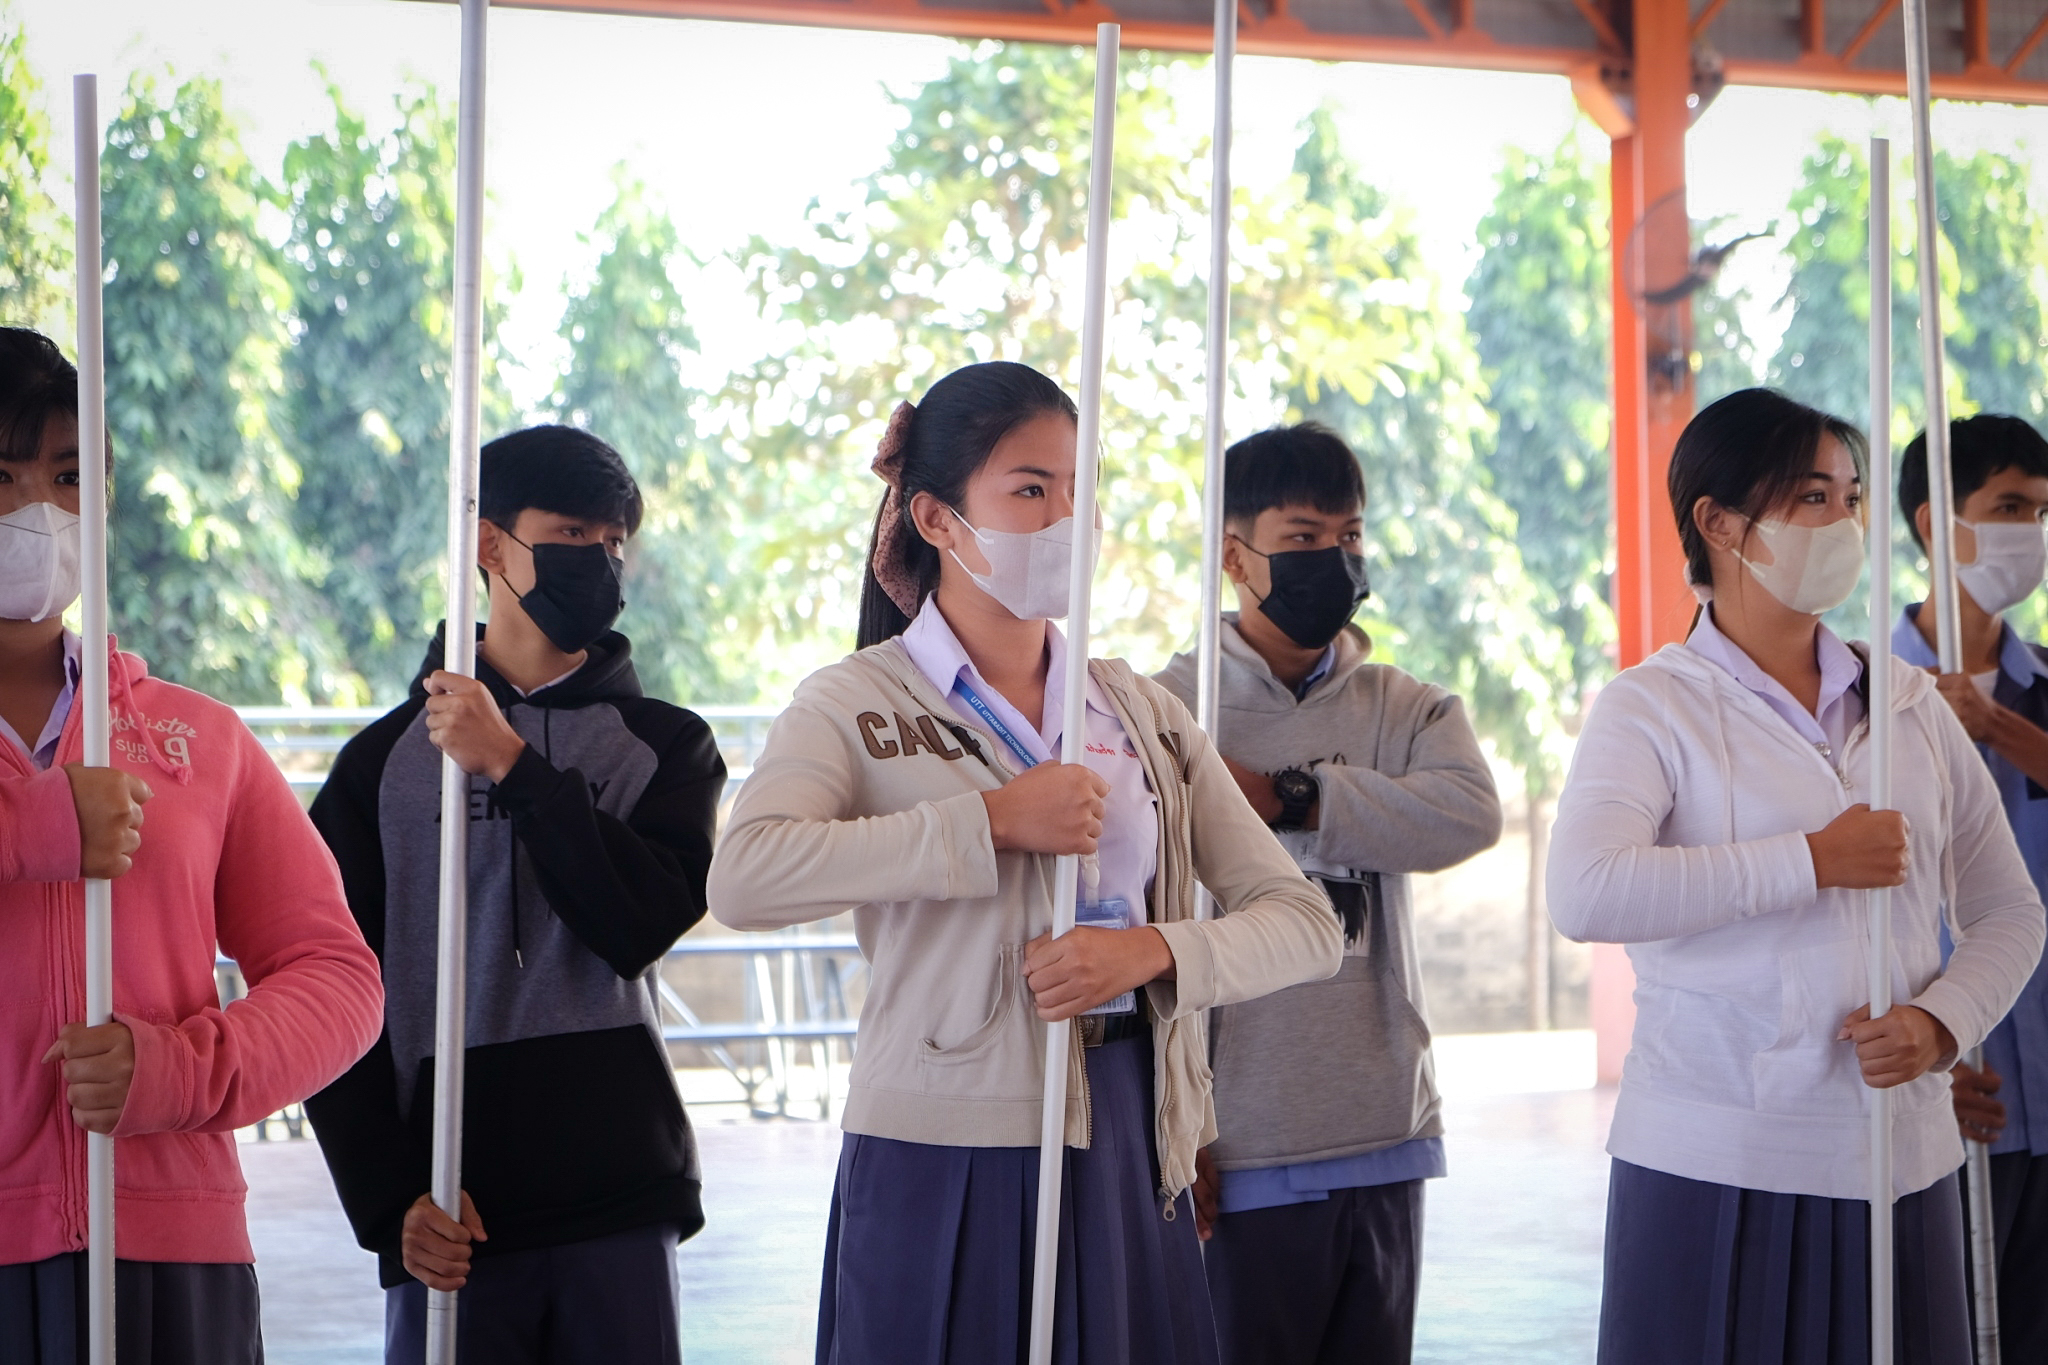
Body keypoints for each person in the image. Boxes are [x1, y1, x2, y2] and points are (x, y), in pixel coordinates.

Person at [705, 360, 1343, 1365]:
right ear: (938, 519)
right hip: (938, 1146)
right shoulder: (852, 702)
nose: (1064, 519)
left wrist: (1151, 953)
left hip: (1131, 1135)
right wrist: (987, 823)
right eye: (1029, 489)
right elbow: (746, 877)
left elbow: (1303, 923)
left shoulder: (1136, 711)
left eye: (1078, 490)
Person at [1547, 387, 2044, 1364]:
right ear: (1718, 522)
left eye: (1851, 498)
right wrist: (1808, 861)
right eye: (1811, 498)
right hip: (1714, 1159)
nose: (1842, 523)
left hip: (1898, 1160)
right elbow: (1588, 889)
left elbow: (2005, 910)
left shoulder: (1909, 707)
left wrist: (1939, 1021)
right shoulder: (1650, 708)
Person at [0, 328, 384, 1364]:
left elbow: (338, 978)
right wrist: (31, 826)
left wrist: (179, 1073)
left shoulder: (193, 738)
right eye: (1, 474)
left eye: (71, 474)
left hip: (173, 1247)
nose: (38, 508)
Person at [304, 425, 726, 1365]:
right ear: (491, 544)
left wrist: (513, 764)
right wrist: (387, 1198)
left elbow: (638, 922)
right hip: (450, 1209)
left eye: (617, 542)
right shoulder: (381, 769)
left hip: (619, 1190)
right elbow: (323, 989)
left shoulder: (668, 746)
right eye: (575, 534)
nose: (603, 561)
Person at [1154, 422, 1502, 1365]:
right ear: (1236, 555)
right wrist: (1181, 1124)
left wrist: (1283, 794)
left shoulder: (1406, 705)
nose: (1335, 559)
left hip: (1383, 1123)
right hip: (1243, 1141)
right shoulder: (1166, 708)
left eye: (1350, 536)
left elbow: (1468, 814)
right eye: (1303, 538)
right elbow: (1151, 922)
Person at [1890, 413, 2048, 1359]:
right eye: (2008, 508)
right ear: (1934, 525)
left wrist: (1996, 727)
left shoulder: (2035, 690)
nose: (2031, 531)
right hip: (1948, 1082)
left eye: (2041, 510)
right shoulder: (1868, 694)